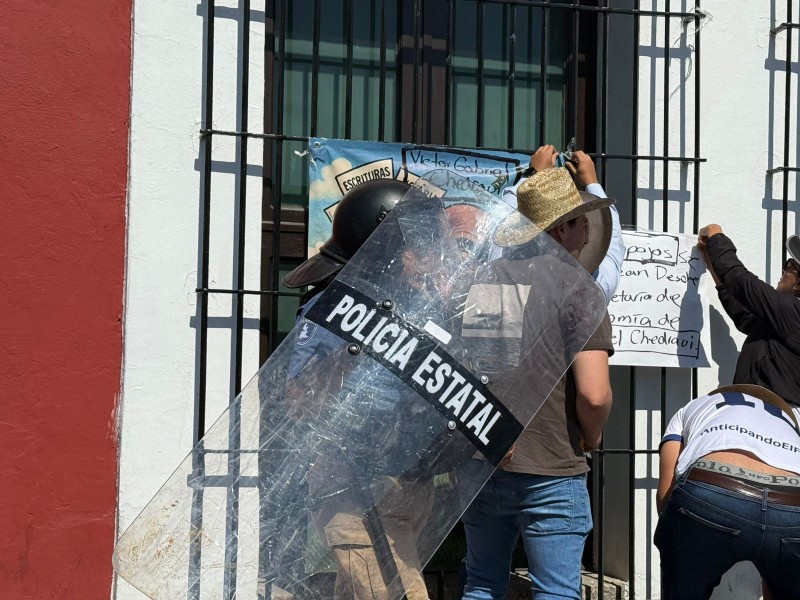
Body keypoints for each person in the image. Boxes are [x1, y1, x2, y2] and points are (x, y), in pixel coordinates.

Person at [460, 164, 615, 600]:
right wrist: (593, 435)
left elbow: (485, 367)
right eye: (581, 221)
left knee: (482, 584)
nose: (587, 231)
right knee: (556, 592)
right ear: (562, 228)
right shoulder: (579, 288)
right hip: (552, 464)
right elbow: (594, 393)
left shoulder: (487, 280)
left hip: (487, 459)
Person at [282, 178, 435, 600]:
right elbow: (298, 401)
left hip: (405, 483)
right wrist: (355, 347)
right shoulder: (335, 309)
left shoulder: (421, 309)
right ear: (388, 249)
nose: (426, 258)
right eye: (416, 246)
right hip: (350, 480)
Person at [654, 383, 800, 600]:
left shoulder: (693, 407)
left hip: (712, 485)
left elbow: (666, 492)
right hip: (792, 499)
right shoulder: (791, 420)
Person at [504, 144, 626, 304]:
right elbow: (613, 245)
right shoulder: (596, 288)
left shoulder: (505, 278)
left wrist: (534, 178)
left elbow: (504, 211)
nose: (587, 239)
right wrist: (592, 182)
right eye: (585, 228)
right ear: (561, 230)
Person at [697, 224, 800, 406]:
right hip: (763, 410)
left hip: (773, 413)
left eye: (790, 266)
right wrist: (714, 269)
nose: (784, 271)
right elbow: (746, 319)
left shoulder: (791, 310)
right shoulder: (783, 319)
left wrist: (716, 236)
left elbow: (742, 281)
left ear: (798, 285)